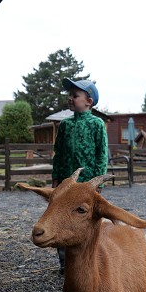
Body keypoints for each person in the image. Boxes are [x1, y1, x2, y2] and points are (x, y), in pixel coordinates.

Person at [52, 78, 108, 273]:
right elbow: (58, 153)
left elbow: (102, 153)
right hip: (67, 183)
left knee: (87, 221)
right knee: (62, 218)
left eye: (75, 95)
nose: (70, 98)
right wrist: (56, 177)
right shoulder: (65, 125)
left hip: (88, 185)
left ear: (89, 102)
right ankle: (65, 262)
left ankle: (89, 259)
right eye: (69, 95)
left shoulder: (97, 124)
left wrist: (99, 180)